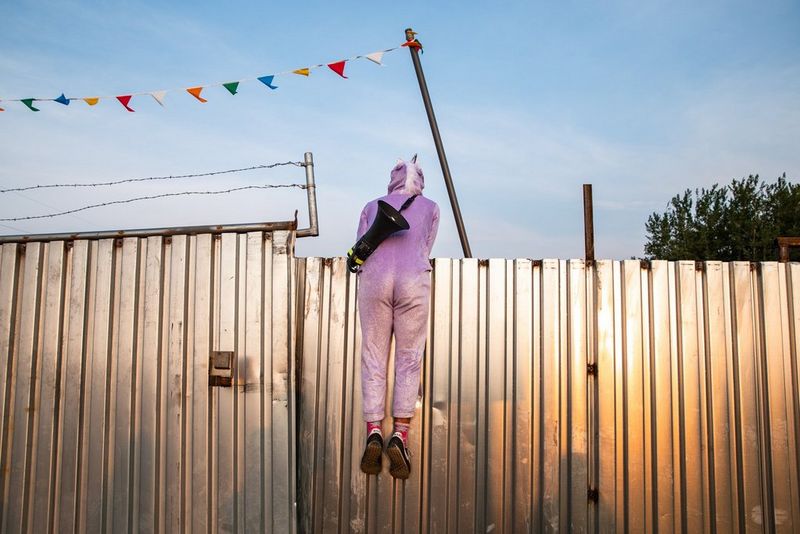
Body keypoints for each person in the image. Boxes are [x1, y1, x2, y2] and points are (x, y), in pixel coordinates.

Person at [356, 156, 439, 479]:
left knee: (374, 356)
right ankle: (400, 435)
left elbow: (360, 246)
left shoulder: (370, 205)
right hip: (412, 283)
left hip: (374, 281)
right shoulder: (431, 207)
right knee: (408, 358)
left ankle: (374, 430)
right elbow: (426, 246)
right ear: (420, 180)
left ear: (392, 178)